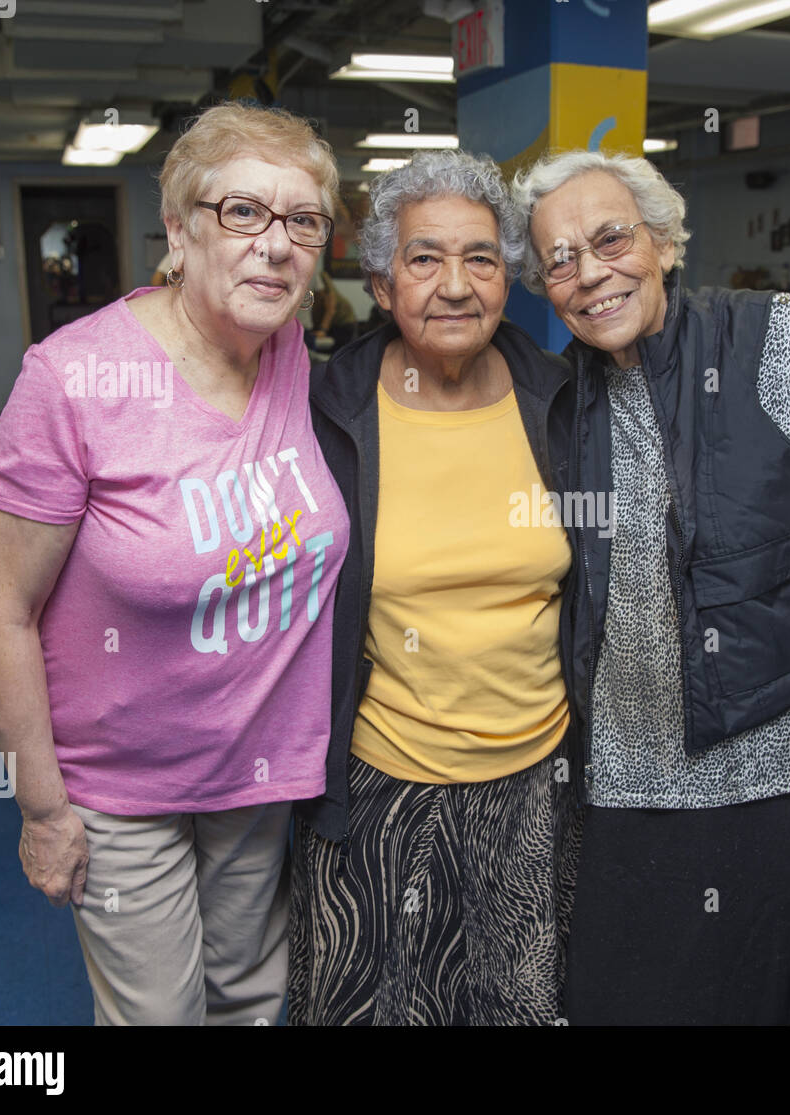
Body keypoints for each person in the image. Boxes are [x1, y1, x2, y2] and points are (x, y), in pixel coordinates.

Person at [0, 102, 350, 1025]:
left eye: (302, 221)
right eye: (243, 213)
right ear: (178, 231)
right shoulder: (75, 379)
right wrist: (43, 809)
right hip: (119, 787)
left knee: (255, 1000)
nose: (275, 245)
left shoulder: (296, 355)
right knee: (160, 1016)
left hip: (259, 773)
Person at [513, 150, 790, 1024]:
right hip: (615, 783)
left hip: (765, 776)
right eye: (560, 260)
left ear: (666, 241)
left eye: (611, 239)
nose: (590, 273)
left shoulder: (773, 340)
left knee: (749, 1001)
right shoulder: (561, 396)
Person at [286, 150, 580, 1026]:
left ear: (509, 277)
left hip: (537, 783)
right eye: (424, 258)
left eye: (481, 258)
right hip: (378, 783)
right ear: (380, 282)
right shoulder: (325, 410)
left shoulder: (561, 400)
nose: (455, 285)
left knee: (517, 1008)